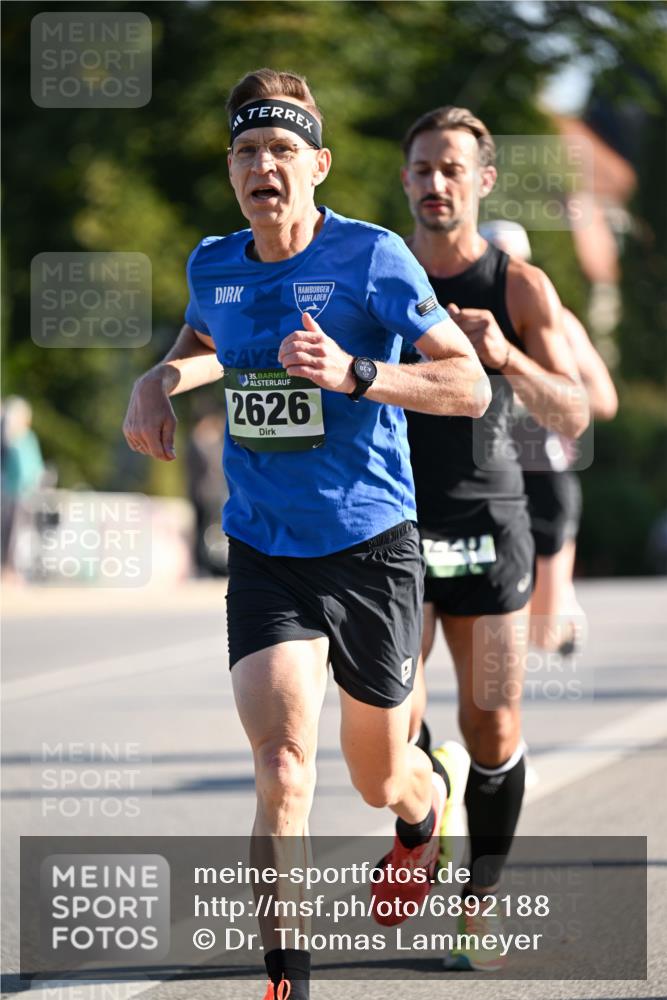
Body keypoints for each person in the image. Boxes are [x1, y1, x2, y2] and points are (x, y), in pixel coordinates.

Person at [123, 70, 490, 999]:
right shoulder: (215, 262)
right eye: (247, 151)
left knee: (376, 779)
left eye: (282, 150)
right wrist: (155, 380)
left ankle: (423, 812)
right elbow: (200, 341)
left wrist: (358, 372)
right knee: (283, 765)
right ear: (232, 170)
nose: (264, 167)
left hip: (371, 546)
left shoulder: (373, 261)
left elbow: (468, 385)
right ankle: (287, 975)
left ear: (317, 164)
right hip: (265, 550)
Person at [399, 106, 589, 971]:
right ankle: (420, 807)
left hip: (488, 527)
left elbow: (576, 412)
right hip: (389, 524)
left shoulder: (518, 286)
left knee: (493, 721)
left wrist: (506, 357)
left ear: (481, 181)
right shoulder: (378, 273)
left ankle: (478, 904)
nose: (436, 184)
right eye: (422, 169)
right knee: (388, 721)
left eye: (452, 169)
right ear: (404, 180)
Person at [479, 220, 618, 654]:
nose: (507, 272)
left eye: (515, 262)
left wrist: (545, 397)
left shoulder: (557, 323)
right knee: (498, 626)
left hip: (545, 475)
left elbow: (605, 399)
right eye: (496, 262)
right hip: (482, 484)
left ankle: (563, 615)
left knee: (541, 635)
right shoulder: (463, 324)